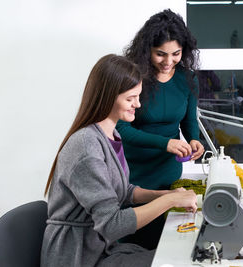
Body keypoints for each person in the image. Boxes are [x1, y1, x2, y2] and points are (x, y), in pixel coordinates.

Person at [41, 54, 197, 267]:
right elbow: (113, 224)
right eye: (131, 98)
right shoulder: (86, 146)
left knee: (177, 257)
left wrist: (167, 194)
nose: (138, 104)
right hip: (78, 256)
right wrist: (170, 202)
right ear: (108, 96)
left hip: (100, 248)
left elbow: (124, 191)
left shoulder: (111, 135)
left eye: (138, 97)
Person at [115, 9, 204, 249]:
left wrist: (194, 140)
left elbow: (188, 120)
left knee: (165, 245)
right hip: (136, 175)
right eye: (160, 54)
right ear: (147, 51)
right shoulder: (134, 78)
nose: (168, 61)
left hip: (169, 173)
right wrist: (166, 143)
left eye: (176, 54)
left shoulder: (188, 78)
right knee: (133, 245)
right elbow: (121, 128)